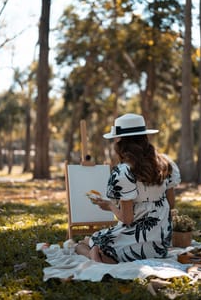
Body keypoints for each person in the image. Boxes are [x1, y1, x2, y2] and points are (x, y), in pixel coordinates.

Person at [75, 113, 181, 264]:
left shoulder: (123, 171)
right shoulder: (165, 164)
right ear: (144, 138)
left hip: (134, 239)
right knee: (94, 240)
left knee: (82, 245)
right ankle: (98, 254)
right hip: (160, 243)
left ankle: (97, 257)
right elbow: (171, 204)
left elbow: (127, 219)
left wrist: (110, 206)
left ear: (120, 142)